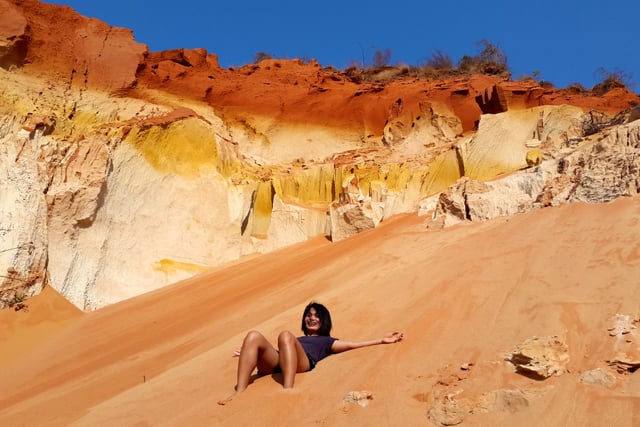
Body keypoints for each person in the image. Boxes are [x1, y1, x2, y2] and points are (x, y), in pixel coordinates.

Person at [217, 301, 403, 405]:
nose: (311, 318)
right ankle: (239, 391)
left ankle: (287, 390)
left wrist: (380, 340)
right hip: (280, 361)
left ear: (324, 321)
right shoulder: (296, 338)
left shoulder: (327, 341)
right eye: (308, 315)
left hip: (303, 363)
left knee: (285, 335)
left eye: (316, 316)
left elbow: (351, 345)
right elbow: (280, 351)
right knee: (253, 336)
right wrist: (251, 350)